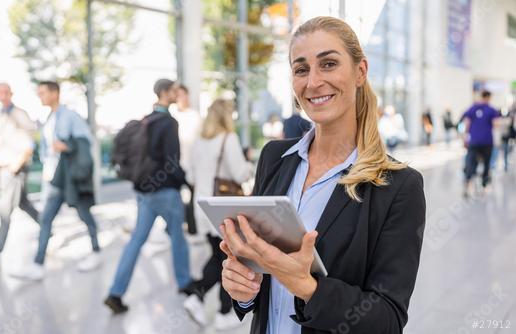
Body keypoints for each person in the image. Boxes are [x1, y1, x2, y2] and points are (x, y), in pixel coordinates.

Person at [219, 17, 426, 334]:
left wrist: (307, 287)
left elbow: (387, 319)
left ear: (360, 72)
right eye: (301, 69)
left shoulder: (399, 187)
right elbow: (264, 285)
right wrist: (245, 289)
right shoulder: (274, 158)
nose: (313, 82)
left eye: (328, 64)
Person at [104, 79, 191, 314]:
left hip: (144, 192)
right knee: (178, 238)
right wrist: (187, 182)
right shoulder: (169, 123)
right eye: (173, 90)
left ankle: (115, 292)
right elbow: (172, 162)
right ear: (164, 93)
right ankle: (185, 285)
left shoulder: (146, 121)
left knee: (136, 241)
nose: (177, 94)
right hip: (164, 192)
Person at [13, 81, 101, 280]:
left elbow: (85, 143)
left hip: (69, 178)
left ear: (55, 93)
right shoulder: (49, 118)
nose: (40, 96)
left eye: (43, 92)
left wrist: (67, 146)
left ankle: (96, 251)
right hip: (53, 179)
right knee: (46, 219)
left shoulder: (70, 116)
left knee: (84, 213)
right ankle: (38, 264)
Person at [181, 99, 253, 330]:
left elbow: (190, 177)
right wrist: (250, 164)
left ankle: (199, 298)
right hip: (223, 208)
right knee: (228, 259)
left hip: (201, 206)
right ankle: (219, 310)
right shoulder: (227, 138)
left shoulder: (199, 141)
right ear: (226, 116)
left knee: (218, 255)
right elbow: (241, 174)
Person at [0, 83, 39, 273]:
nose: (2, 96)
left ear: (11, 93)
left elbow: (29, 144)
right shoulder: (2, 115)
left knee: (4, 211)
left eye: (5, 92)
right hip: (4, 169)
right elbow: (2, 144)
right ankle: (47, 229)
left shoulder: (18, 114)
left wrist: (14, 166)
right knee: (24, 204)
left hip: (14, 171)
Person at [171, 84, 203, 238]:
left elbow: (200, 143)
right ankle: (174, 229)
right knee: (175, 200)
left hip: (193, 165)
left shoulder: (195, 117)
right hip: (174, 166)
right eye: (178, 95)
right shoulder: (172, 117)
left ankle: (193, 230)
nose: (181, 99)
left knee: (193, 198)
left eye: (183, 95)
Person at [463, 90, 501, 197]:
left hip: (474, 141)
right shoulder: (492, 110)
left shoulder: (473, 108)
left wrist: (465, 137)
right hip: (487, 141)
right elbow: (496, 125)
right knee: (486, 163)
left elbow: (467, 123)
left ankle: (468, 183)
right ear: (489, 97)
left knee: (471, 162)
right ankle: (484, 185)